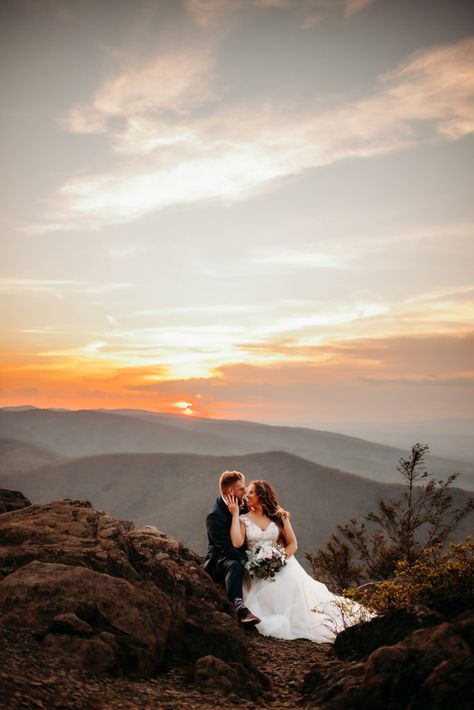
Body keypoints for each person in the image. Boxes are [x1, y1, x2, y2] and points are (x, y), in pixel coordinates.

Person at [224, 479, 374, 642]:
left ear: (262, 495)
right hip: (257, 569)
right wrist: (234, 514)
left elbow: (293, 544)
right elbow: (237, 542)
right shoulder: (243, 519)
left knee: (292, 582)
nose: (247, 495)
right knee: (270, 589)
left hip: (282, 562)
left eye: (251, 492)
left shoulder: (279, 517)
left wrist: (278, 559)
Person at [204, 470, 261, 626]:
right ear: (230, 491)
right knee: (235, 564)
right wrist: (247, 561)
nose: (245, 491)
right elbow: (225, 548)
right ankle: (240, 608)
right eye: (241, 488)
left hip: (241, 553)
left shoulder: (241, 505)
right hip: (220, 560)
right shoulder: (215, 515)